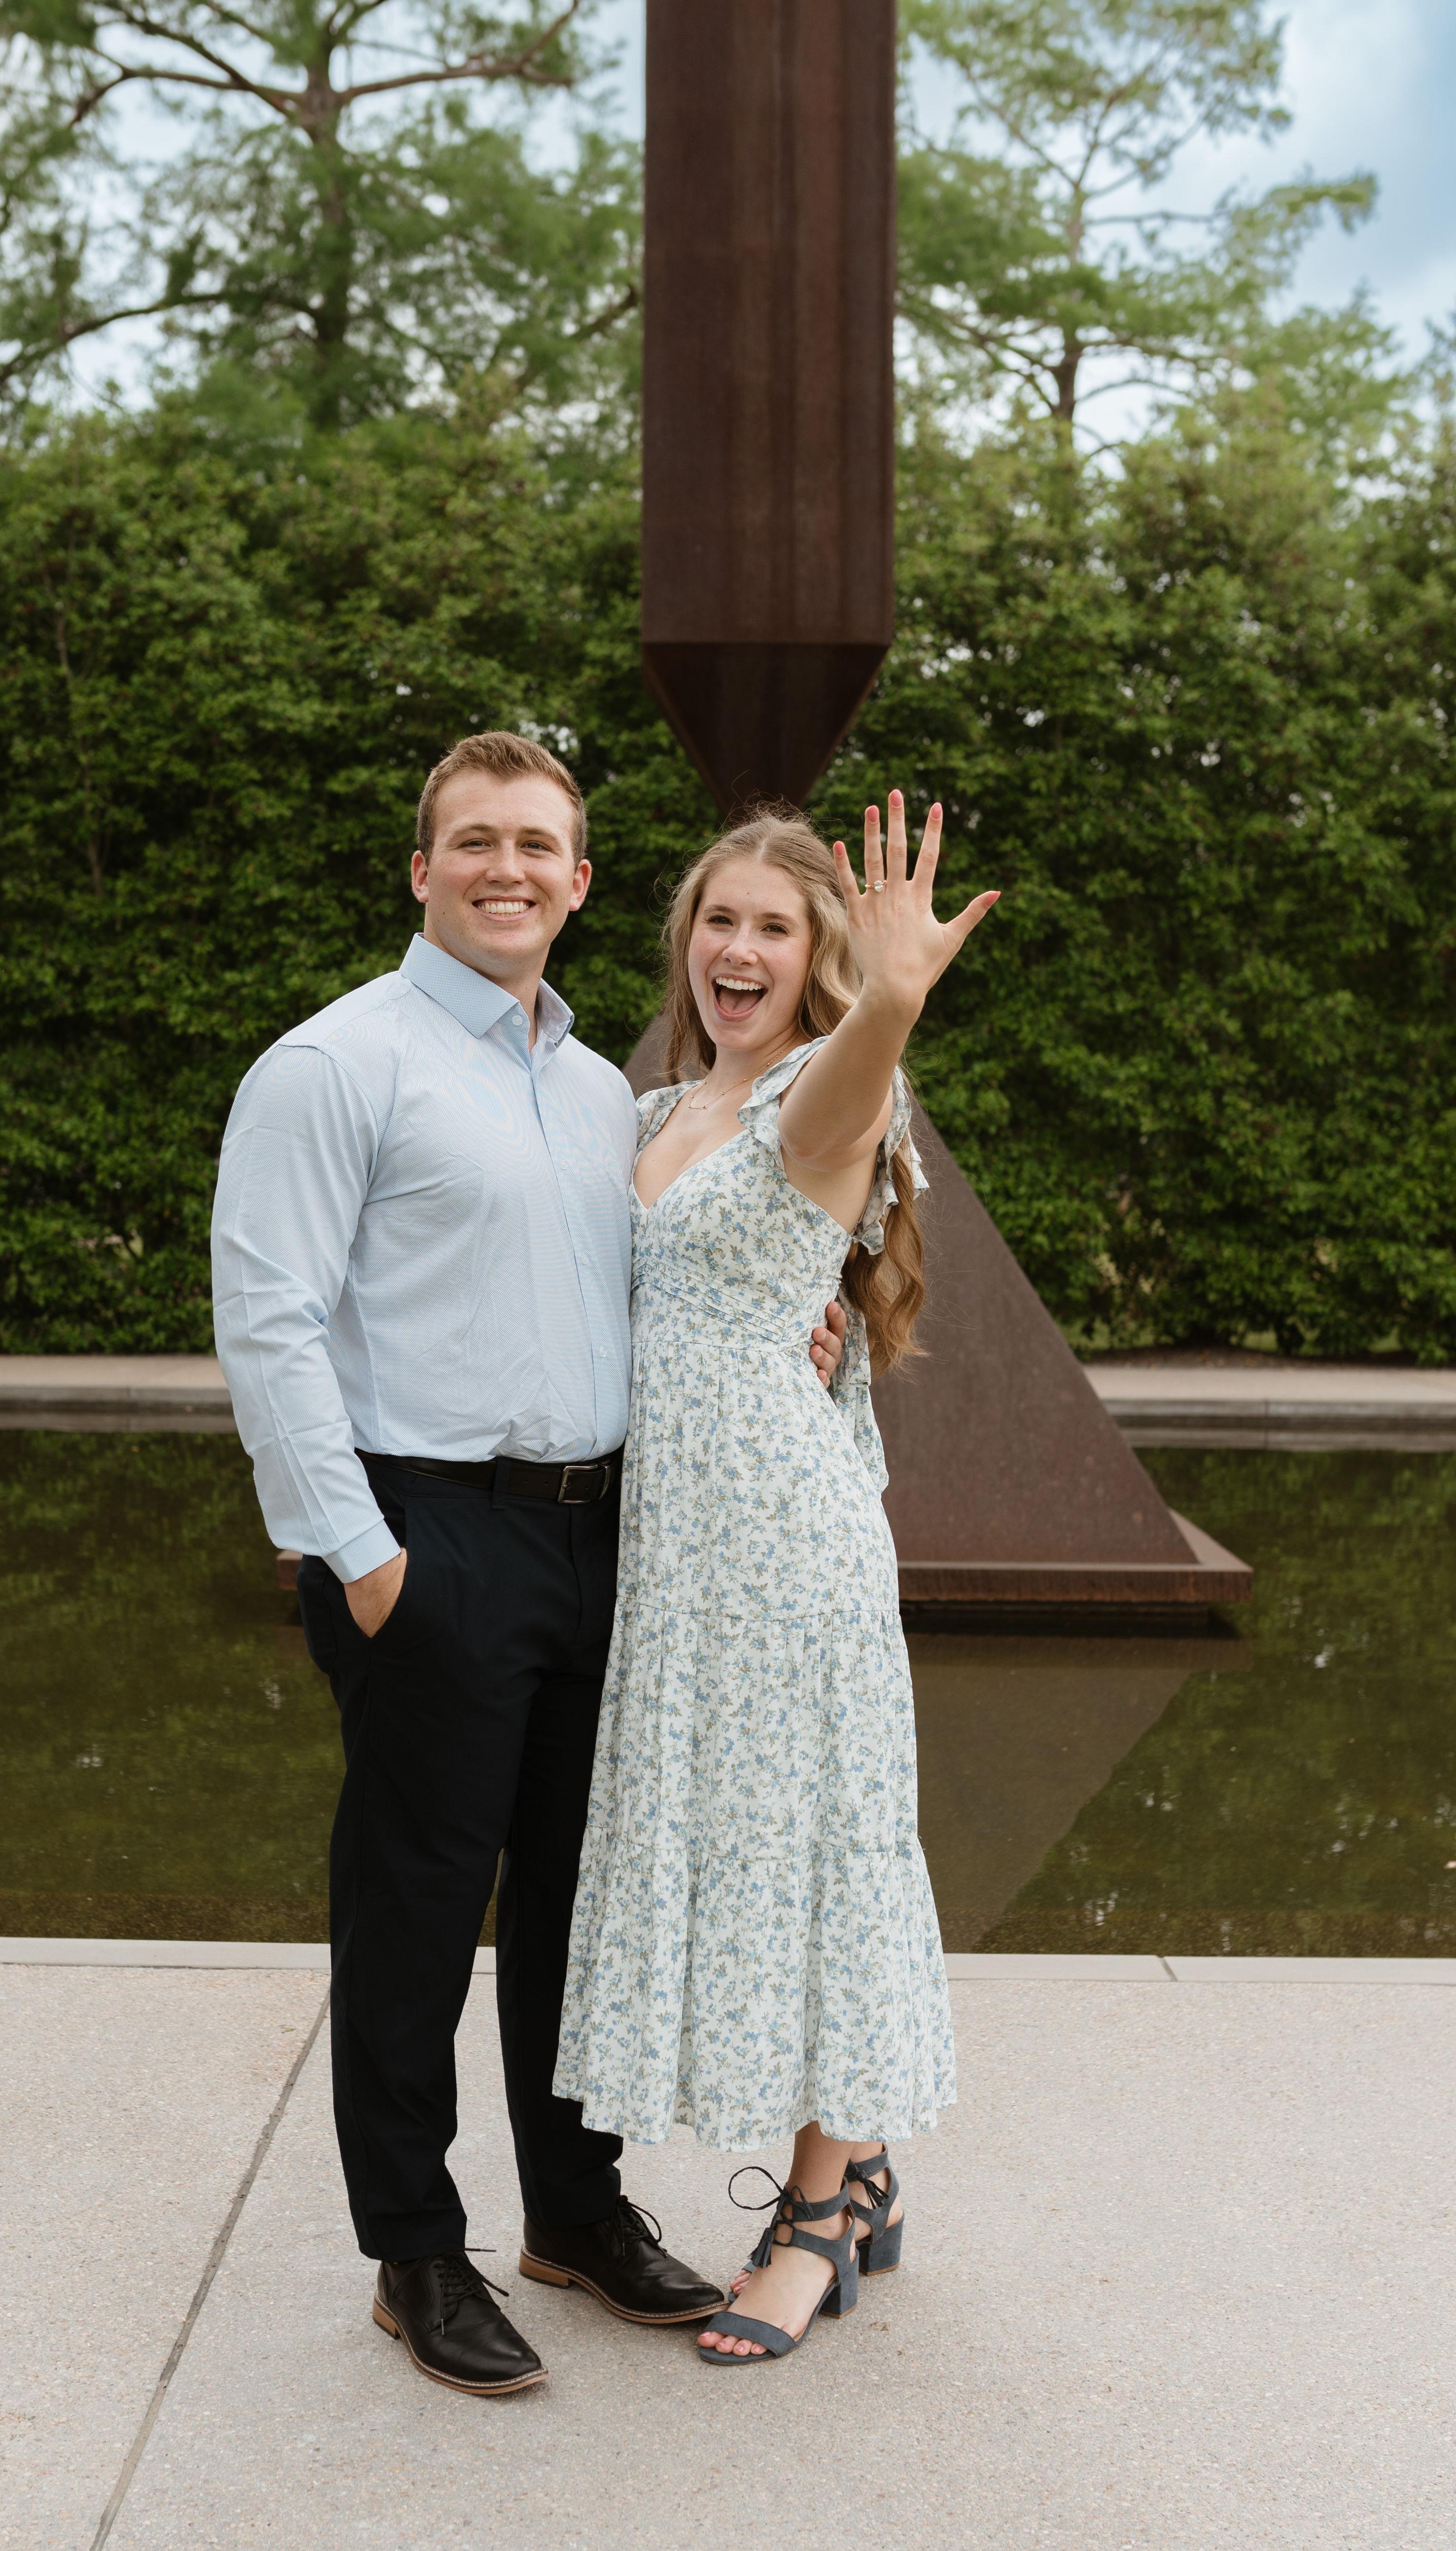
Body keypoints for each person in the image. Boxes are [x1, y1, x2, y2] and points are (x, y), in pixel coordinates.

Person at [209, 731, 847, 2398]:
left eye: (539, 844)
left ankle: (572, 2211)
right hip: (428, 1533)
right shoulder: (333, 1063)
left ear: (576, 880)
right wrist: (359, 1557)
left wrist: (813, 1327)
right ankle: (414, 2248)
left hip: (605, 1534)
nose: (508, 866)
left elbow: (694, 1272)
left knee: (578, 1903)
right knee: (415, 1910)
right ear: (422, 870)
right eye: (474, 840)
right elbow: (267, 1324)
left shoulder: (597, 1089)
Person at [551, 790, 995, 2363]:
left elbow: (839, 1122)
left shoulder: (819, 1085)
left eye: (773, 927)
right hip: (673, 1559)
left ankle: (815, 2211)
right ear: (684, 937)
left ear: (813, 962)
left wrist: (888, 996)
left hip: (782, 1549)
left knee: (817, 1849)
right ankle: (859, 2167)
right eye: (719, 919)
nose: (738, 948)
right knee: (749, 1844)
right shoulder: (652, 1101)